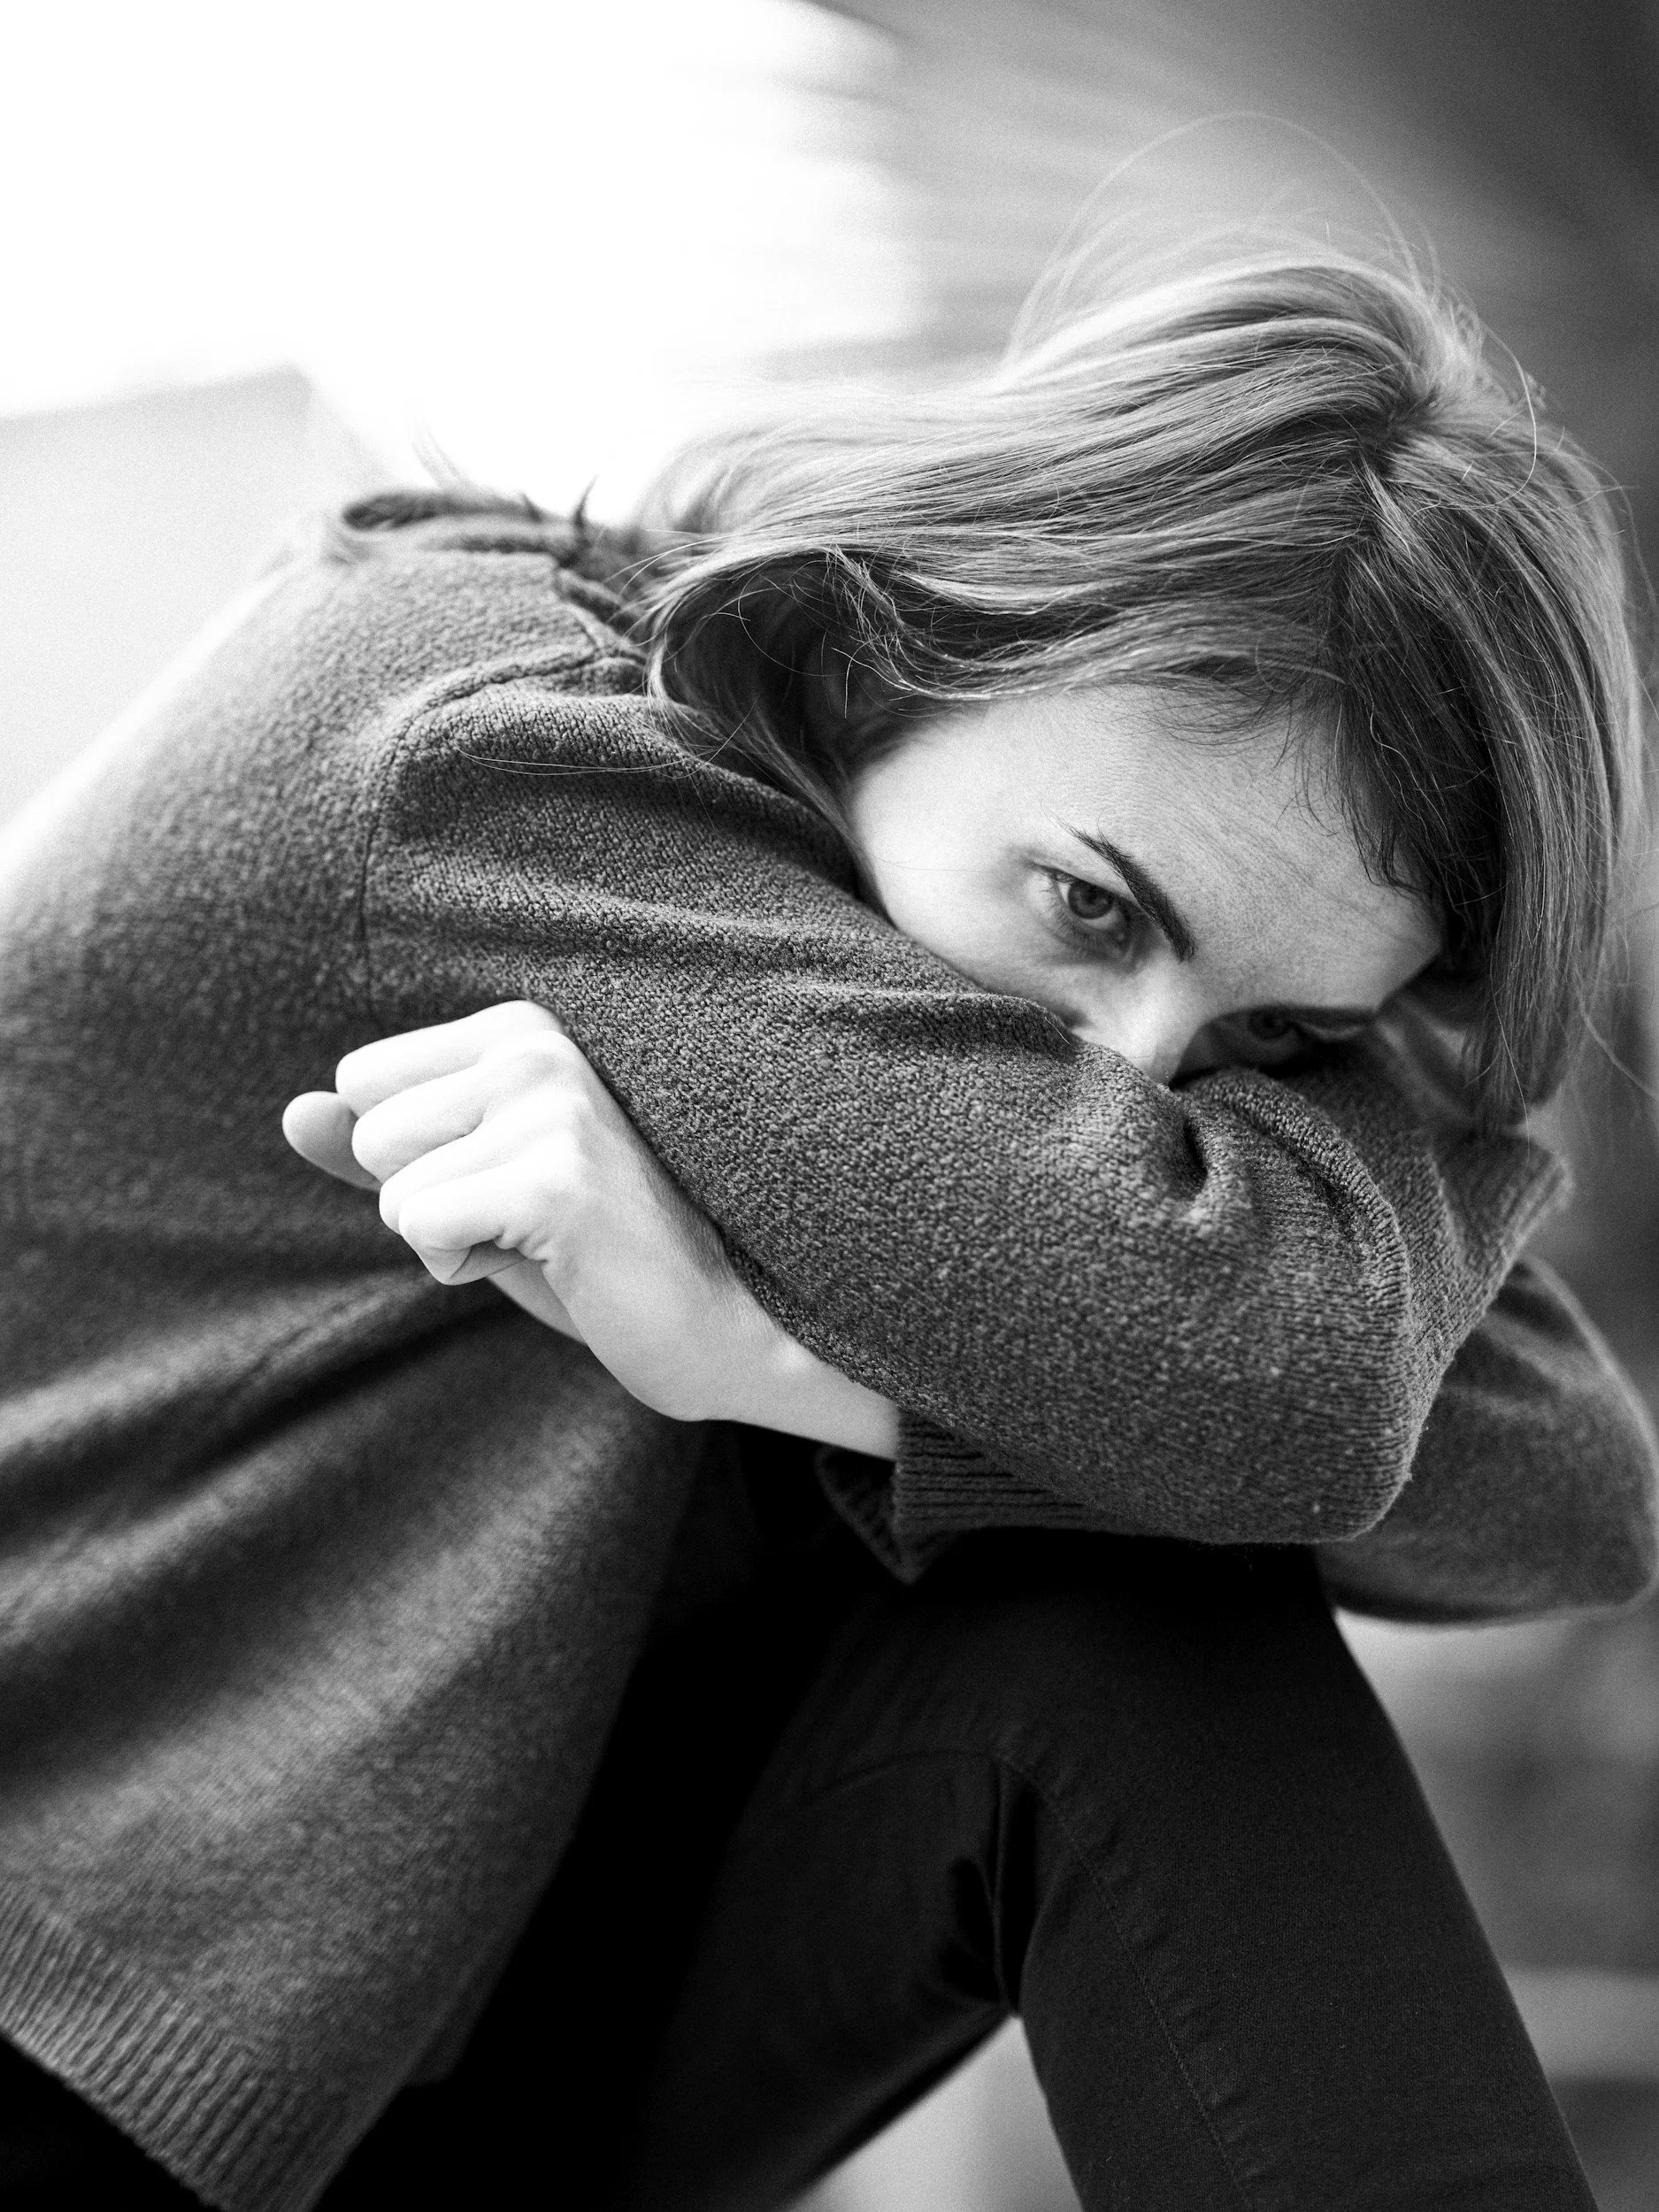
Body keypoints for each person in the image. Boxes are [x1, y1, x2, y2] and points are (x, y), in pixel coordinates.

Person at [0, 236, 1654, 2212]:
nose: (1137, 1086)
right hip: (79, 2027)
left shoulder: (1002, 967)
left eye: (1276, 1036)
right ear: (913, 624)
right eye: (1091, 907)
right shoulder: (470, 739)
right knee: (1149, 1515)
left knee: (1126, 1613)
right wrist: (1340, 1140)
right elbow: (1273, 1370)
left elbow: (1571, 1478)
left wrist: (764, 1359)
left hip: (425, 2047)